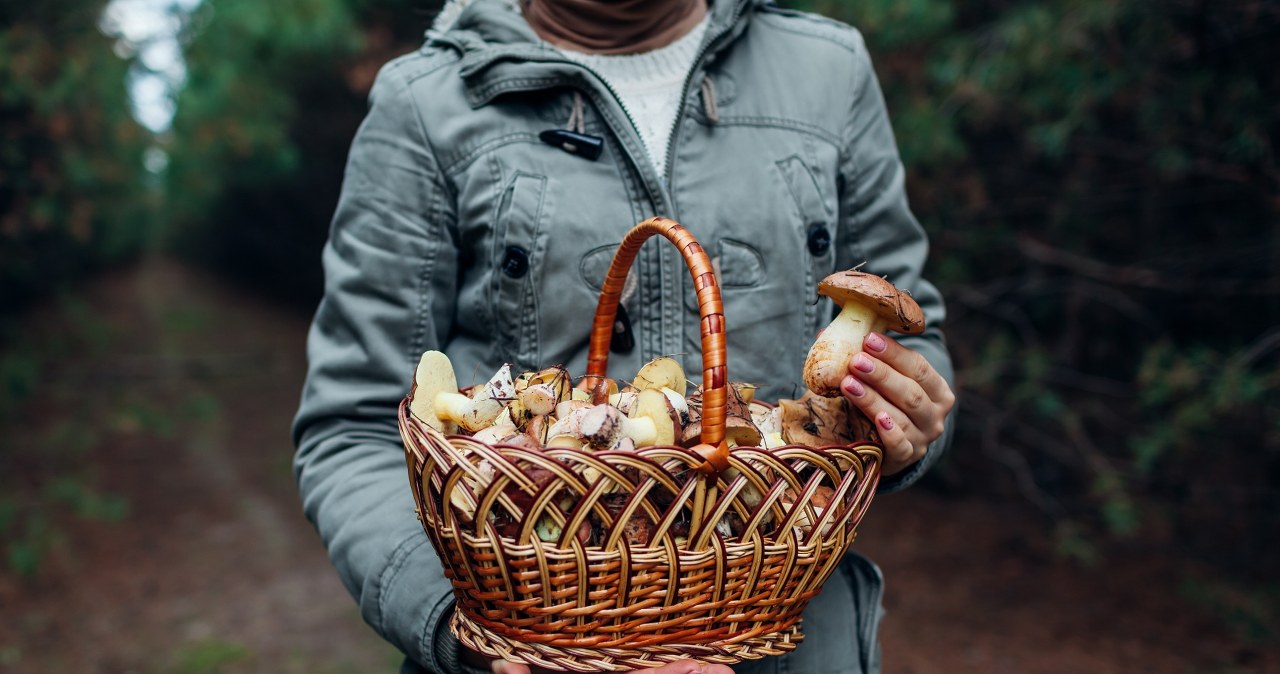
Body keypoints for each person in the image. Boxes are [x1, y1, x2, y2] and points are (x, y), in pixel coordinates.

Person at [291, 0, 956, 672]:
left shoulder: (827, 69)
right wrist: (464, 621)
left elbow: (915, 339)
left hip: (788, 636)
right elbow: (354, 425)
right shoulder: (426, 101)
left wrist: (906, 422)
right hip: (535, 630)